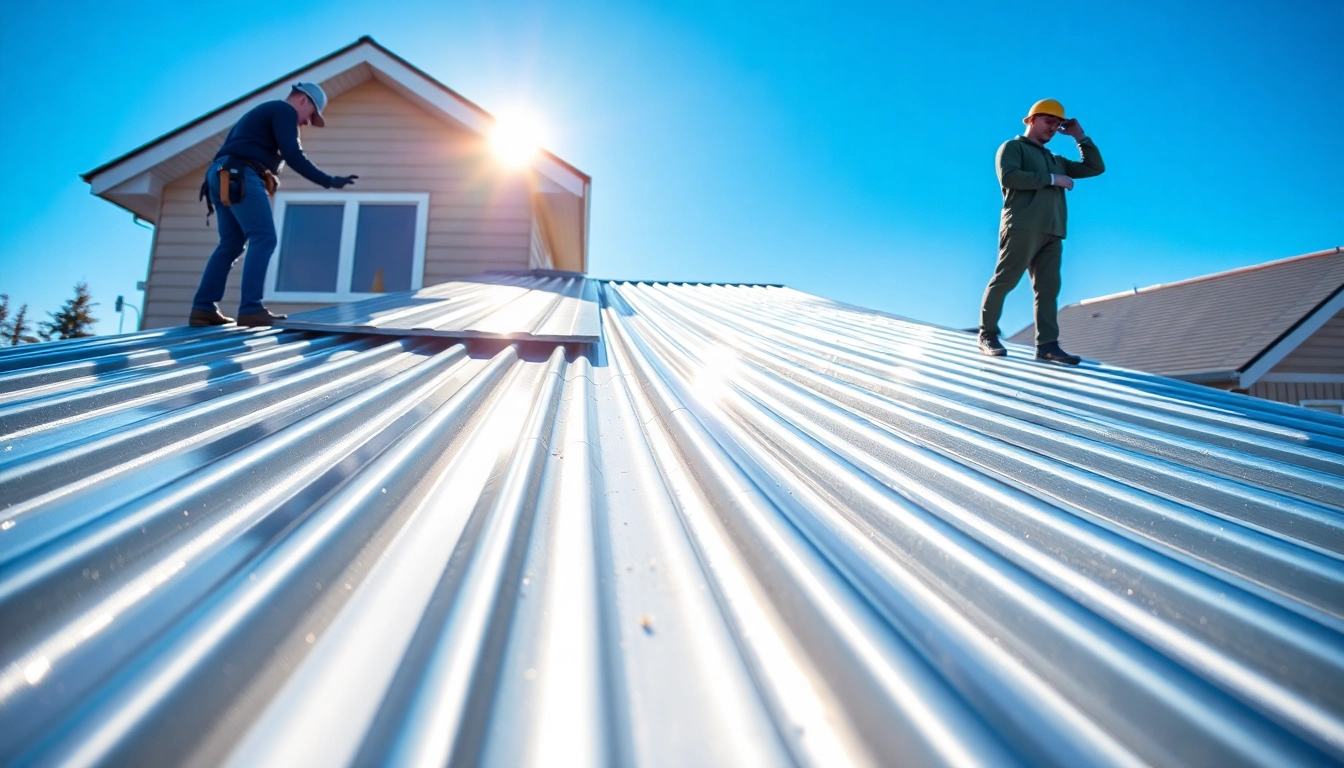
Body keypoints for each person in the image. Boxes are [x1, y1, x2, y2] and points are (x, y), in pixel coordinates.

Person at [189, 82, 359, 327]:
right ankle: (251, 308)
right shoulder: (284, 111)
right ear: (303, 100)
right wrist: (328, 181)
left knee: (232, 243)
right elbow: (294, 155)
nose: (307, 123)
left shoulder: (260, 115)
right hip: (240, 173)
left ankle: (203, 308)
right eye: (311, 115)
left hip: (222, 174)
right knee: (264, 237)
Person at [978, 99, 1104, 364]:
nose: (1053, 127)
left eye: (1058, 124)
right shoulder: (1012, 148)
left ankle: (1047, 346)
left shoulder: (1055, 159)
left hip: (1053, 230)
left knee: (1048, 289)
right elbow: (1010, 177)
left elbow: (1095, 168)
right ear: (1031, 120)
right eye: (1048, 121)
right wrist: (1052, 179)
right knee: (1005, 280)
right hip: (1023, 225)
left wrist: (1079, 136)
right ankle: (987, 335)